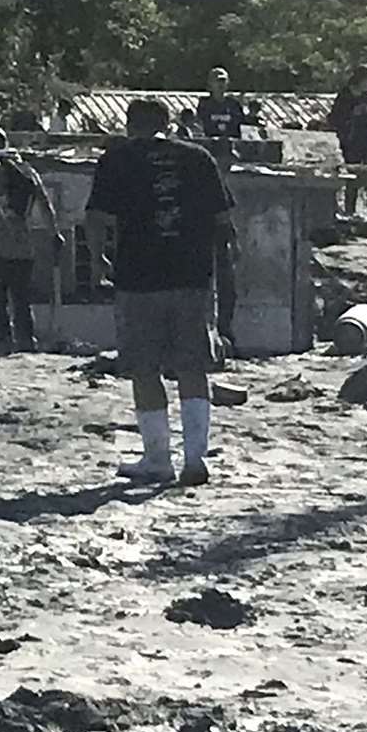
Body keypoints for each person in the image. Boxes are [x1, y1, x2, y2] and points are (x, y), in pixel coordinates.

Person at [84, 98, 233, 487]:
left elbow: (96, 217)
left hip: (139, 277)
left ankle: (157, 458)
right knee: (192, 366)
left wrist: (99, 260)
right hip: (192, 276)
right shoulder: (198, 158)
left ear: (129, 124)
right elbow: (223, 220)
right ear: (168, 124)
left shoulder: (117, 159)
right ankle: (195, 458)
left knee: (144, 368)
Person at [0, 128, 59, 356]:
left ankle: (2, 343)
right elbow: (45, 205)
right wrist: (54, 234)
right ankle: (26, 342)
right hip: (23, 249)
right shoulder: (27, 171)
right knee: (21, 301)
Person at [328, 65, 367, 220]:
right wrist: (352, 116)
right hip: (351, 143)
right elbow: (334, 119)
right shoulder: (344, 96)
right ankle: (350, 213)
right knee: (353, 180)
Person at [192, 69, 253, 161]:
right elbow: (199, 127)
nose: (220, 84)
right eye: (217, 81)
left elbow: (242, 127)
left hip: (232, 149)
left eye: (223, 81)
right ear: (210, 84)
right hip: (211, 148)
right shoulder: (204, 104)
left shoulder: (233, 104)